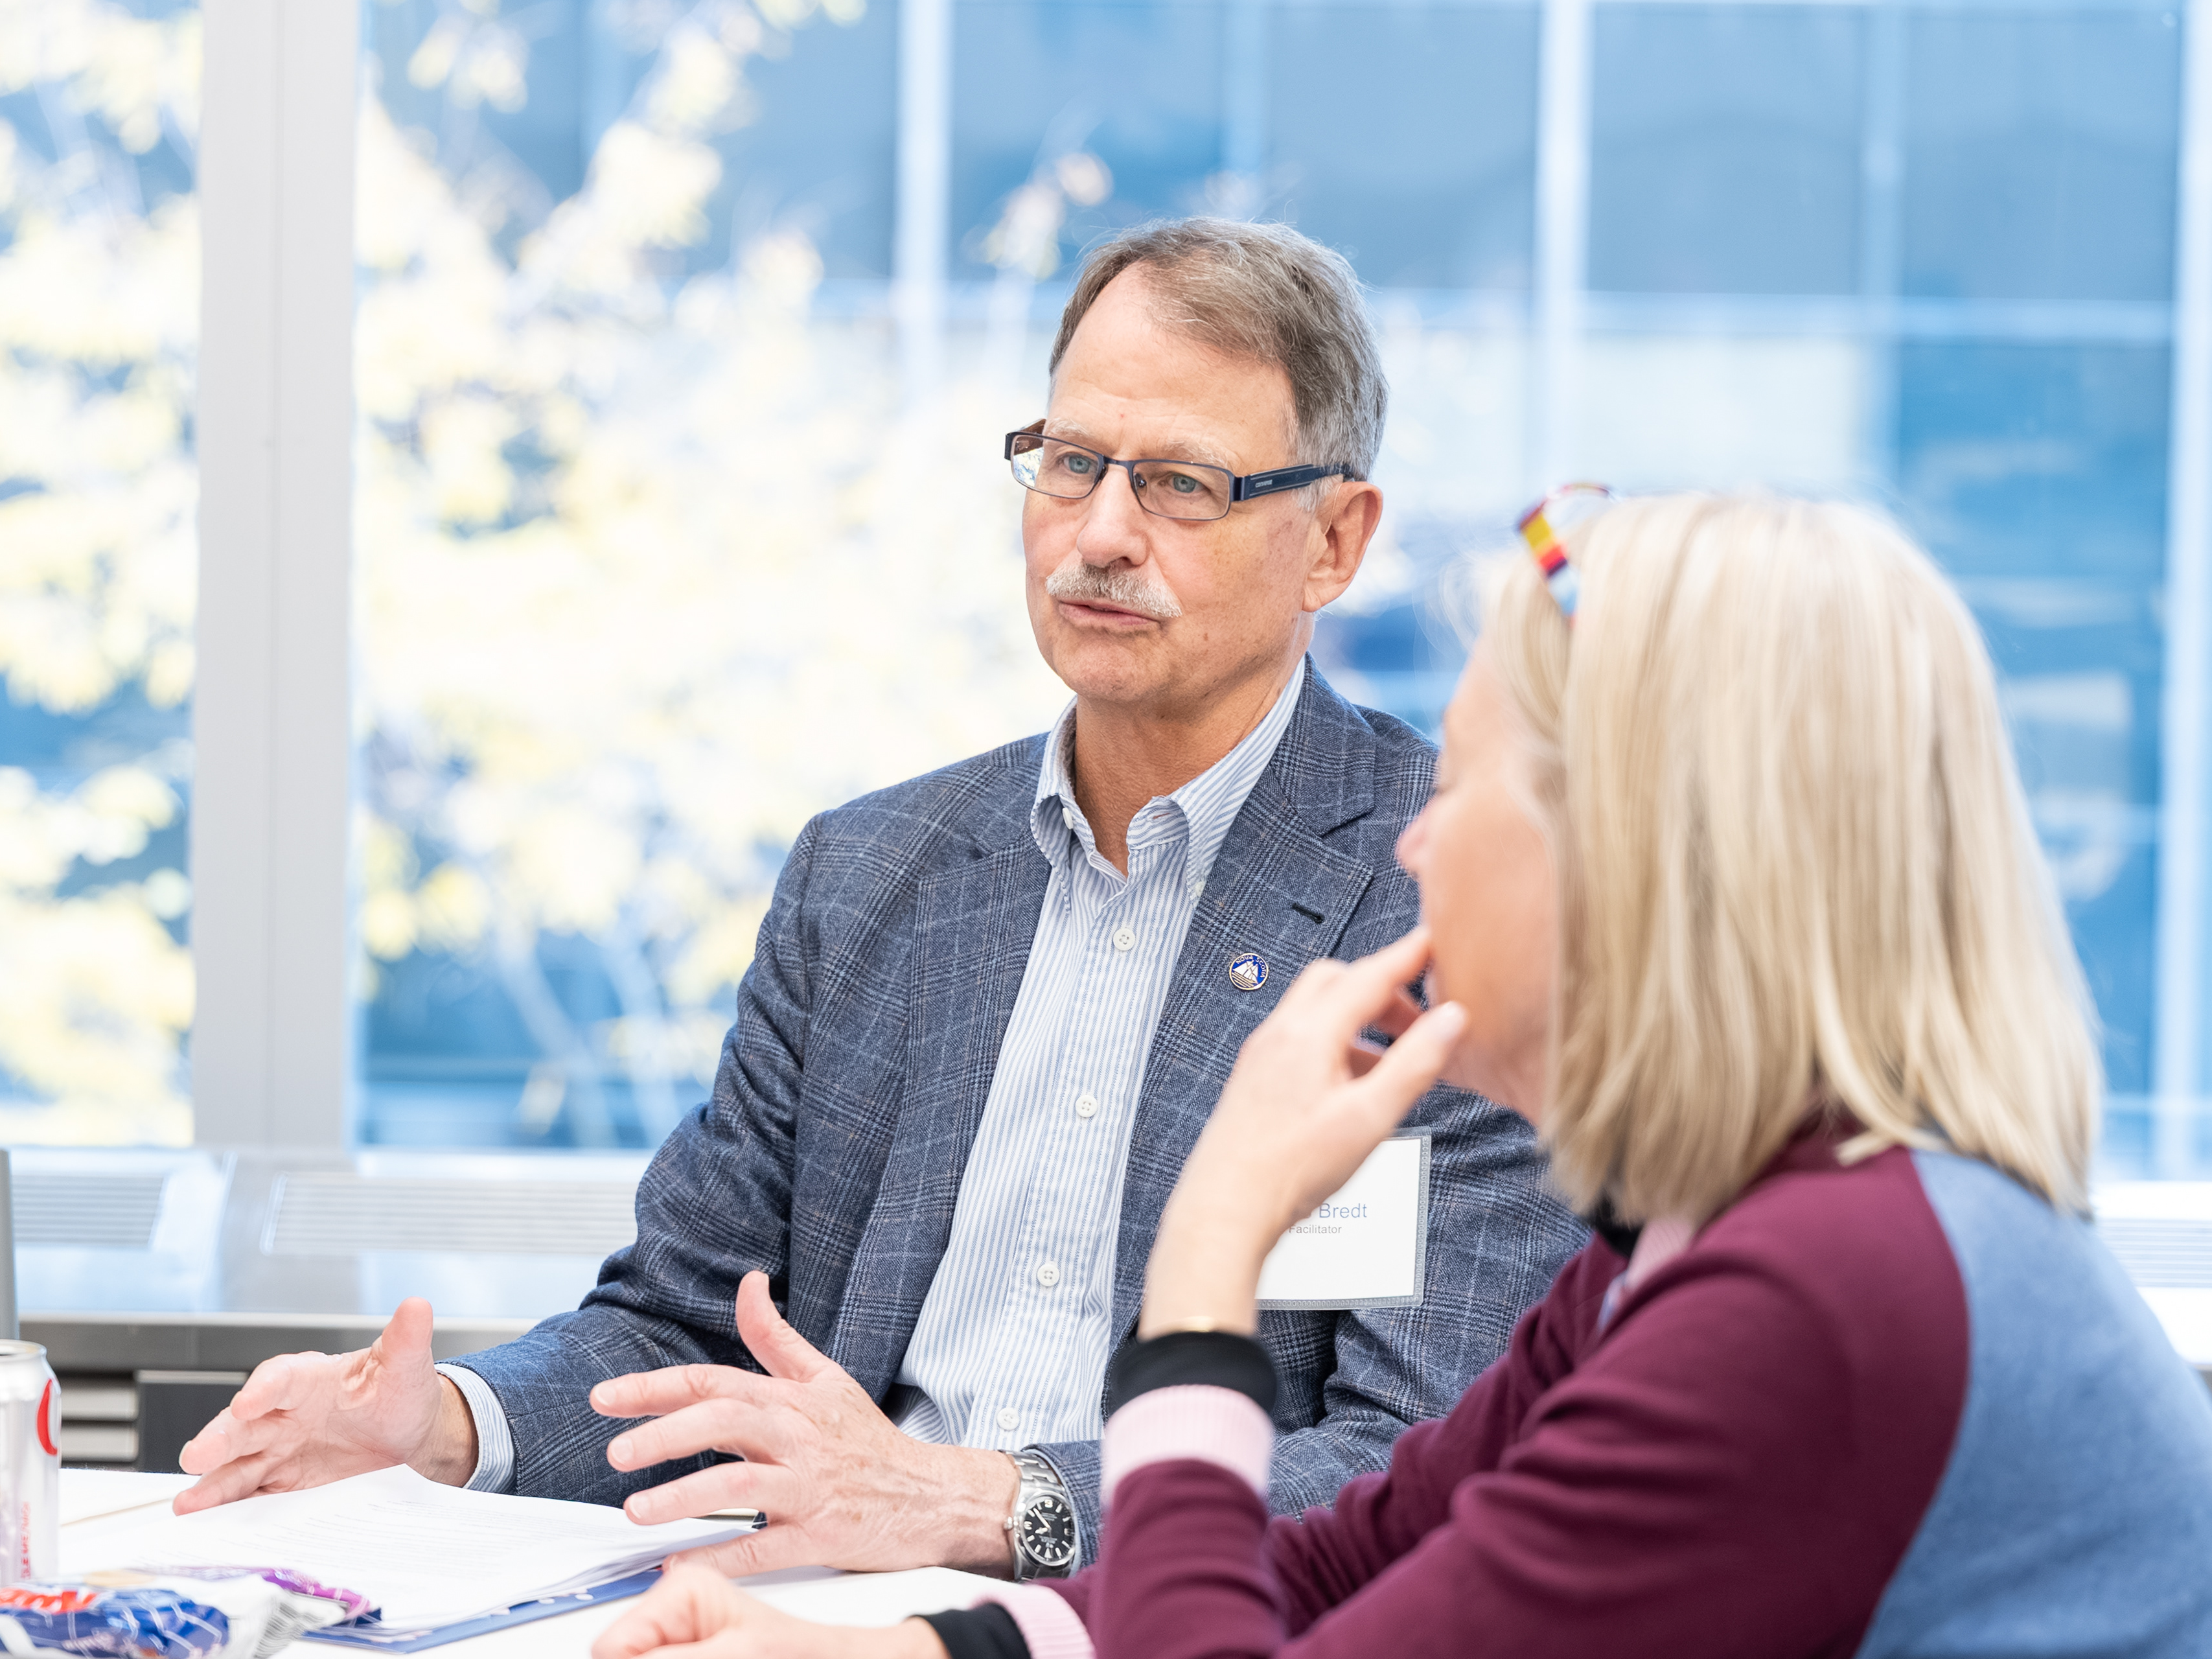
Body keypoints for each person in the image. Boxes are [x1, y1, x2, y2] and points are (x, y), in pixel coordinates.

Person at [172, 218, 1586, 1581]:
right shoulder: (870, 875)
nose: (1100, 533)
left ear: (1335, 540)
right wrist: (444, 1427)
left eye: (1181, 484)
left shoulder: (1457, 894)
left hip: (1158, 1618)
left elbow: (1419, 1456)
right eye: (1072, 462)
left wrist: (984, 1502)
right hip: (808, 1602)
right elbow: (687, 1326)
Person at [592, 491, 2212, 1659]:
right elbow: (1345, 1560)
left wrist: (1208, 1265)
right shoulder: (1707, 1239)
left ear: (1631, 852)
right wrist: (901, 1651)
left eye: (1466, 782)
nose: (1420, 839)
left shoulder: (1812, 1306)